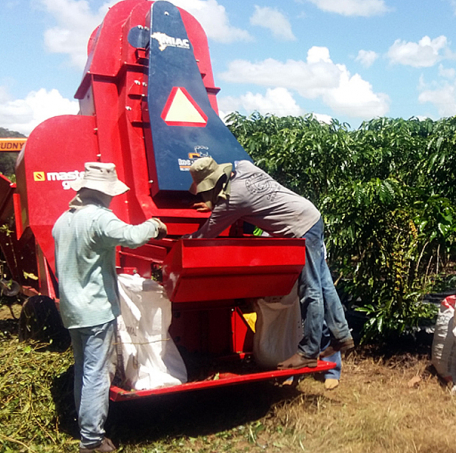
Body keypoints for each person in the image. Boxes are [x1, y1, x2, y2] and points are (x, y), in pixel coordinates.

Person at [185, 157, 353, 369]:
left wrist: (182, 241)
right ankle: (341, 334)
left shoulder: (232, 201)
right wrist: (212, 202)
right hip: (311, 215)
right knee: (324, 284)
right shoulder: (245, 167)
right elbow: (238, 190)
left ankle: (308, 352)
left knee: (310, 289)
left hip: (300, 228)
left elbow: (205, 235)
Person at [52, 162, 167, 453]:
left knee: (84, 369)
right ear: (103, 192)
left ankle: (84, 426)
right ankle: (91, 441)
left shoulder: (64, 220)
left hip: (72, 309)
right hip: (95, 309)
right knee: (96, 373)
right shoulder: (98, 218)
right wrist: (155, 224)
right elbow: (132, 237)